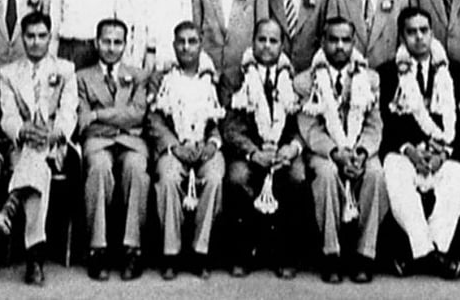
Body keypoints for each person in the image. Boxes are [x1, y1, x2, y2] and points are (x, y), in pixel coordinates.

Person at [378, 7, 460, 279]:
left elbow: (459, 121)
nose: (418, 38)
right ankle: (433, 256)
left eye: (424, 31)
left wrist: (443, 154)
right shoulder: (388, 72)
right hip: (404, 152)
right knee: (396, 179)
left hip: (441, 151)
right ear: (402, 36)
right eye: (411, 32)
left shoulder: (452, 70)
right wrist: (409, 150)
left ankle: (418, 252)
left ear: (432, 33)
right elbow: (388, 122)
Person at [294, 17, 388, 284]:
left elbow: (374, 124)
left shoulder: (369, 79)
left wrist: (360, 151)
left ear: (353, 43)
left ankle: (364, 255)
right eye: (333, 40)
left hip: (359, 148)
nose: (339, 46)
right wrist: (336, 153)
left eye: (345, 40)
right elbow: (309, 127)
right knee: (324, 174)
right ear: (322, 42)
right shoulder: (305, 81)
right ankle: (331, 253)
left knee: (375, 173)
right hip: (325, 151)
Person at [0, 11, 77, 286]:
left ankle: (10, 208)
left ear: (49, 38)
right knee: (36, 166)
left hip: (56, 147)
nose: (36, 42)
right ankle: (34, 256)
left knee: (37, 161)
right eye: (30, 36)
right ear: (22, 39)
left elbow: (69, 113)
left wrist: (53, 134)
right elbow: (8, 115)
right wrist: (23, 131)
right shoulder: (9, 73)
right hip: (24, 145)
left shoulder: (65, 69)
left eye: (42, 36)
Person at [222, 19, 306, 278]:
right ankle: (243, 254)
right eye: (262, 39)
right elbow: (230, 127)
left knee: (296, 177)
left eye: (273, 41)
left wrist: (292, 148)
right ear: (253, 42)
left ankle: (284, 254)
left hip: (283, 150)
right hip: (247, 152)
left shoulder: (293, 79)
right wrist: (253, 153)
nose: (267, 46)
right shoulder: (234, 77)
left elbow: (301, 123)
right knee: (238, 178)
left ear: (282, 45)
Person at [146, 21, 225, 281]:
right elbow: (154, 120)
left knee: (213, 177)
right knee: (168, 176)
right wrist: (174, 146)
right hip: (174, 146)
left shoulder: (213, 78)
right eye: (181, 41)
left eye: (192, 41)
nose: (186, 47)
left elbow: (220, 120)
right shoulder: (162, 78)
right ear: (174, 45)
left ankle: (200, 252)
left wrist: (212, 144)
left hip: (204, 146)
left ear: (200, 45)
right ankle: (171, 252)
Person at [77, 18, 149, 281]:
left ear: (125, 44)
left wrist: (98, 115)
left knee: (136, 169)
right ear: (97, 43)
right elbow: (84, 121)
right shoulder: (82, 77)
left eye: (117, 42)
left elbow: (138, 115)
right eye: (106, 41)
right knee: (99, 168)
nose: (111, 47)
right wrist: (116, 120)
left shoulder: (138, 75)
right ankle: (98, 249)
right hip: (98, 143)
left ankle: (133, 248)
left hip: (132, 143)